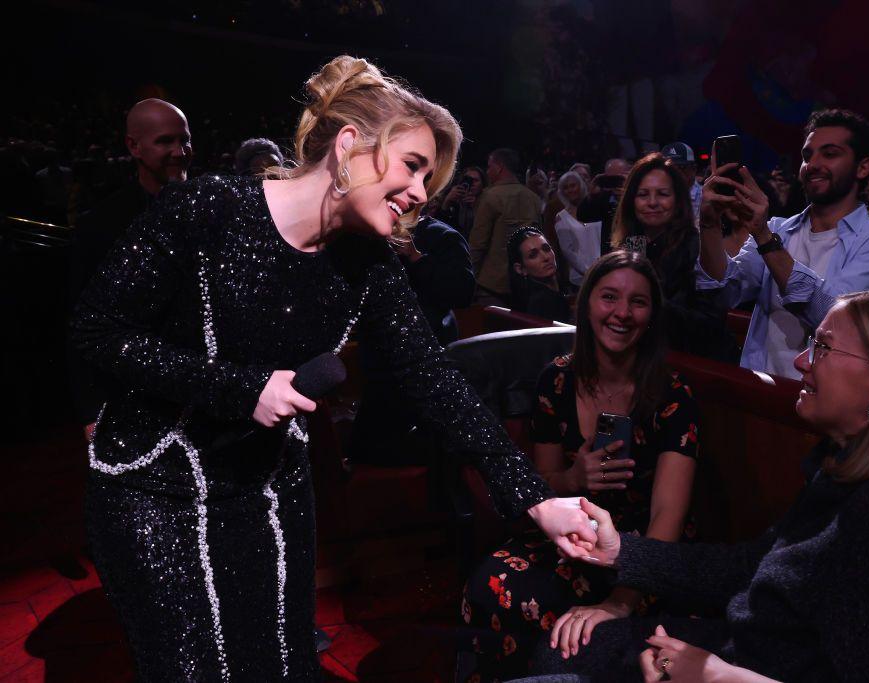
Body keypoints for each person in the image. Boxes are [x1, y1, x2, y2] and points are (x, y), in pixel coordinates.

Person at [71, 55, 595, 682]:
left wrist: (537, 501)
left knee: (284, 668)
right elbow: (96, 330)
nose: (421, 192)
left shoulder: (370, 266)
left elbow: (436, 382)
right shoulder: (206, 208)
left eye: (430, 177)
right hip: (152, 489)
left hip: (266, 492)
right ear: (350, 145)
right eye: (412, 165)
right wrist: (241, 390)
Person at [535, 290, 869, 683]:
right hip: (743, 650)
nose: (801, 361)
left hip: (746, 668)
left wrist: (719, 675)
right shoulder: (851, 467)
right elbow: (754, 567)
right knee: (569, 648)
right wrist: (622, 552)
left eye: (822, 347)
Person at [463, 251, 699, 681]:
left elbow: (669, 515)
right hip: (573, 536)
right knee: (491, 582)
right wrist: (573, 478)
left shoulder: (673, 394)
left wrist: (621, 602)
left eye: (638, 302)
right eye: (609, 297)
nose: (622, 313)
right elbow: (545, 483)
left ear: (652, 315)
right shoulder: (556, 380)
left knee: (567, 621)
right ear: (587, 303)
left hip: (646, 548)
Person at [697, 108, 869, 379]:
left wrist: (763, 237)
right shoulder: (778, 229)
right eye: (807, 155)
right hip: (759, 387)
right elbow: (724, 292)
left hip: (825, 400)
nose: (813, 164)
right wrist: (709, 224)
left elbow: (832, 317)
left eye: (830, 154)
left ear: (863, 167)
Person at [70, 98, 194, 437]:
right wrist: (91, 411)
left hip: (202, 395)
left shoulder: (213, 210)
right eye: (165, 141)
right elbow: (80, 325)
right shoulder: (100, 226)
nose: (180, 151)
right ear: (133, 146)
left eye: (184, 139)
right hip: (130, 397)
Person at [349, 214, 478, 465]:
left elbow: (462, 293)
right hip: (381, 367)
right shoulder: (367, 235)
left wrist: (415, 256)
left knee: (435, 454)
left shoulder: (442, 236)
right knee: (370, 456)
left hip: (431, 364)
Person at [613, 153, 735, 360]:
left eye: (662, 194)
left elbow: (711, 321)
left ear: (678, 200)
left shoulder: (696, 246)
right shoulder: (628, 246)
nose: (652, 202)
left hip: (690, 362)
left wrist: (649, 305)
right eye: (643, 194)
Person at [469, 148, 543, 306]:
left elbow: (478, 243)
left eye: (489, 167)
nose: (487, 172)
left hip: (493, 285)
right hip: (526, 281)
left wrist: (470, 278)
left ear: (499, 167)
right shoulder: (534, 199)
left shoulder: (490, 197)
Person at [507, 225, 573, 323]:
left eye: (546, 249)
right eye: (533, 255)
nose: (545, 257)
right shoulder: (543, 302)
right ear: (520, 269)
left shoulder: (553, 294)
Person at [553, 170, 600, 289]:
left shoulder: (598, 208)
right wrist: (588, 271)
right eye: (566, 187)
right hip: (580, 278)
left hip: (605, 269)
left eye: (573, 185)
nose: (570, 190)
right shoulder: (561, 218)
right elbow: (568, 252)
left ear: (581, 185)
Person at [660, 142, 701, 224]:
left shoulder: (704, 197)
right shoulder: (657, 197)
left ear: (693, 169)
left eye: (680, 168)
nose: (674, 174)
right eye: (668, 169)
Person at [439, 165, 486, 237]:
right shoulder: (451, 197)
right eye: (467, 179)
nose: (471, 183)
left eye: (475, 180)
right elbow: (438, 224)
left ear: (482, 185)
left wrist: (475, 207)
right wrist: (447, 201)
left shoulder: (485, 202)